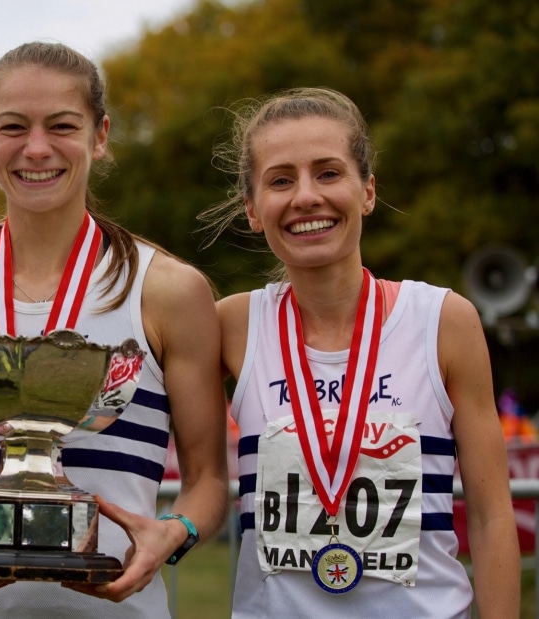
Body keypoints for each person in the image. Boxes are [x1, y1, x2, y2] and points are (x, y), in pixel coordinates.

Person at [0, 41, 229, 618]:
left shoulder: (169, 290)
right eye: (13, 127)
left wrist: (175, 530)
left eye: (62, 126)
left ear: (100, 135)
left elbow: (209, 479)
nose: (36, 148)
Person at [200, 87, 519, 617]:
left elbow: (491, 517)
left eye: (328, 173)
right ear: (253, 210)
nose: (306, 197)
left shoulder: (443, 320)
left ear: (367, 191)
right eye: (281, 180)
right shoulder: (232, 325)